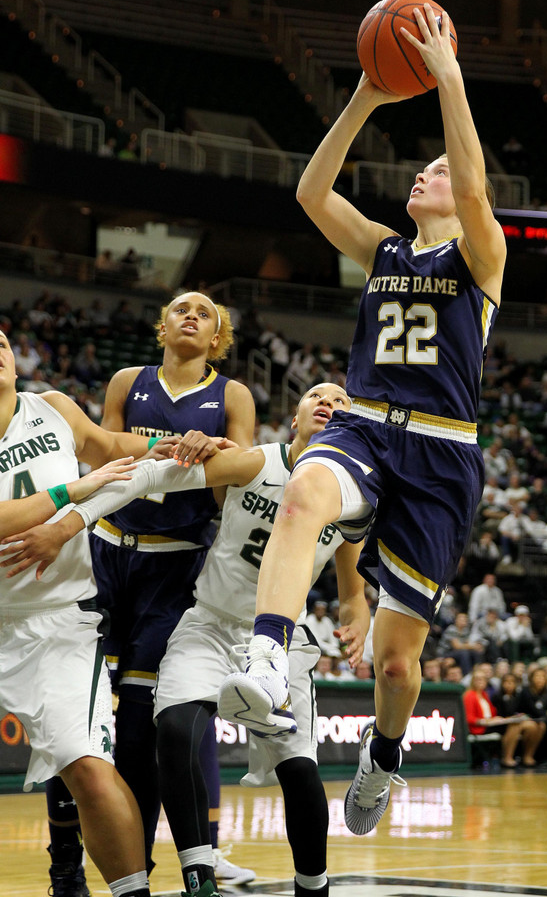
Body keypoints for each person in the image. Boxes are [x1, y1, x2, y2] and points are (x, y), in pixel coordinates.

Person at [217, 2, 506, 835]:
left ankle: (384, 752)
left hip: (442, 456)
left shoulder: (479, 255)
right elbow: (310, 191)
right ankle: (268, 657)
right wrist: (366, 100)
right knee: (306, 492)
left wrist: (447, 77)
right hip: (366, 425)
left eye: (437, 172)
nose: (425, 175)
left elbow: (476, 182)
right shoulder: (383, 248)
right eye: (420, 170)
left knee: (394, 662)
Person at [2, 383, 369, 897]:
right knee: (172, 731)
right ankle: (199, 876)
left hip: (278, 642)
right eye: (316, 395)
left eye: (342, 400)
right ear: (294, 418)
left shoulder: (350, 499)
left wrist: (359, 619)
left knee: (299, 773)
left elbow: (353, 591)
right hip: (209, 623)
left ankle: (314, 887)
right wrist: (75, 520)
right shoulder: (253, 462)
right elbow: (151, 473)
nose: (328, 401)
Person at [44, 291, 256, 890]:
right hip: (105, 557)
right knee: (72, 717)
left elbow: (238, 485)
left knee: (140, 730)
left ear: (218, 337)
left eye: (206, 313)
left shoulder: (231, 395)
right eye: (180, 308)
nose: (191, 315)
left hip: (173, 571)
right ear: (162, 326)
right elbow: (102, 463)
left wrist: (216, 449)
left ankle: (136, 871)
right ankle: (65, 870)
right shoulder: (125, 381)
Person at [0, 328, 158, 897]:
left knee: (86, 765)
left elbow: (113, 449)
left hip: (55, 620)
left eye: (0, 340)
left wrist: (173, 444)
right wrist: (72, 493)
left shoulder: (53, 408)